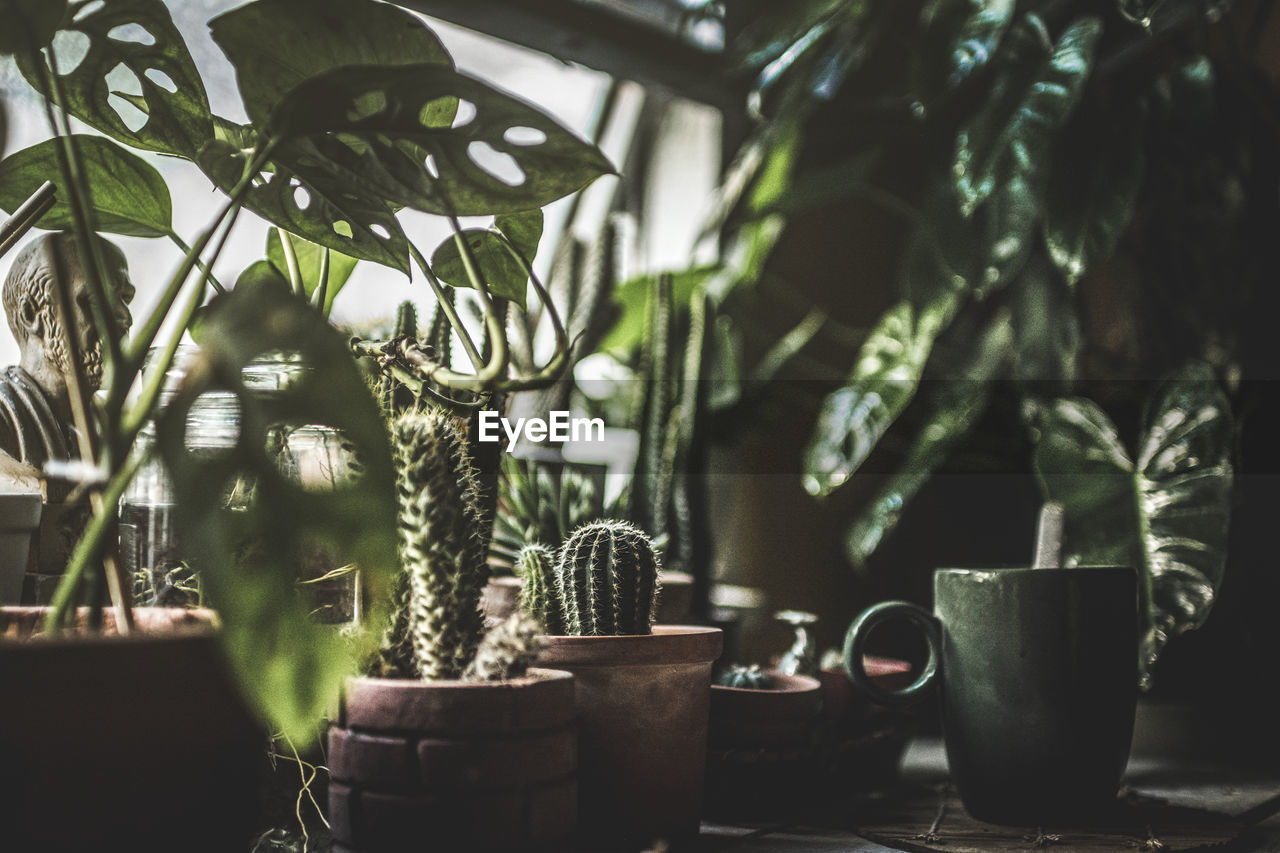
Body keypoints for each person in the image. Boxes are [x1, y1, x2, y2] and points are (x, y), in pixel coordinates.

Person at [0, 231, 135, 492]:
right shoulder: (5, 416)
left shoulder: (108, 424)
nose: (125, 317)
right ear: (32, 314)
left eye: (125, 298)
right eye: (95, 300)